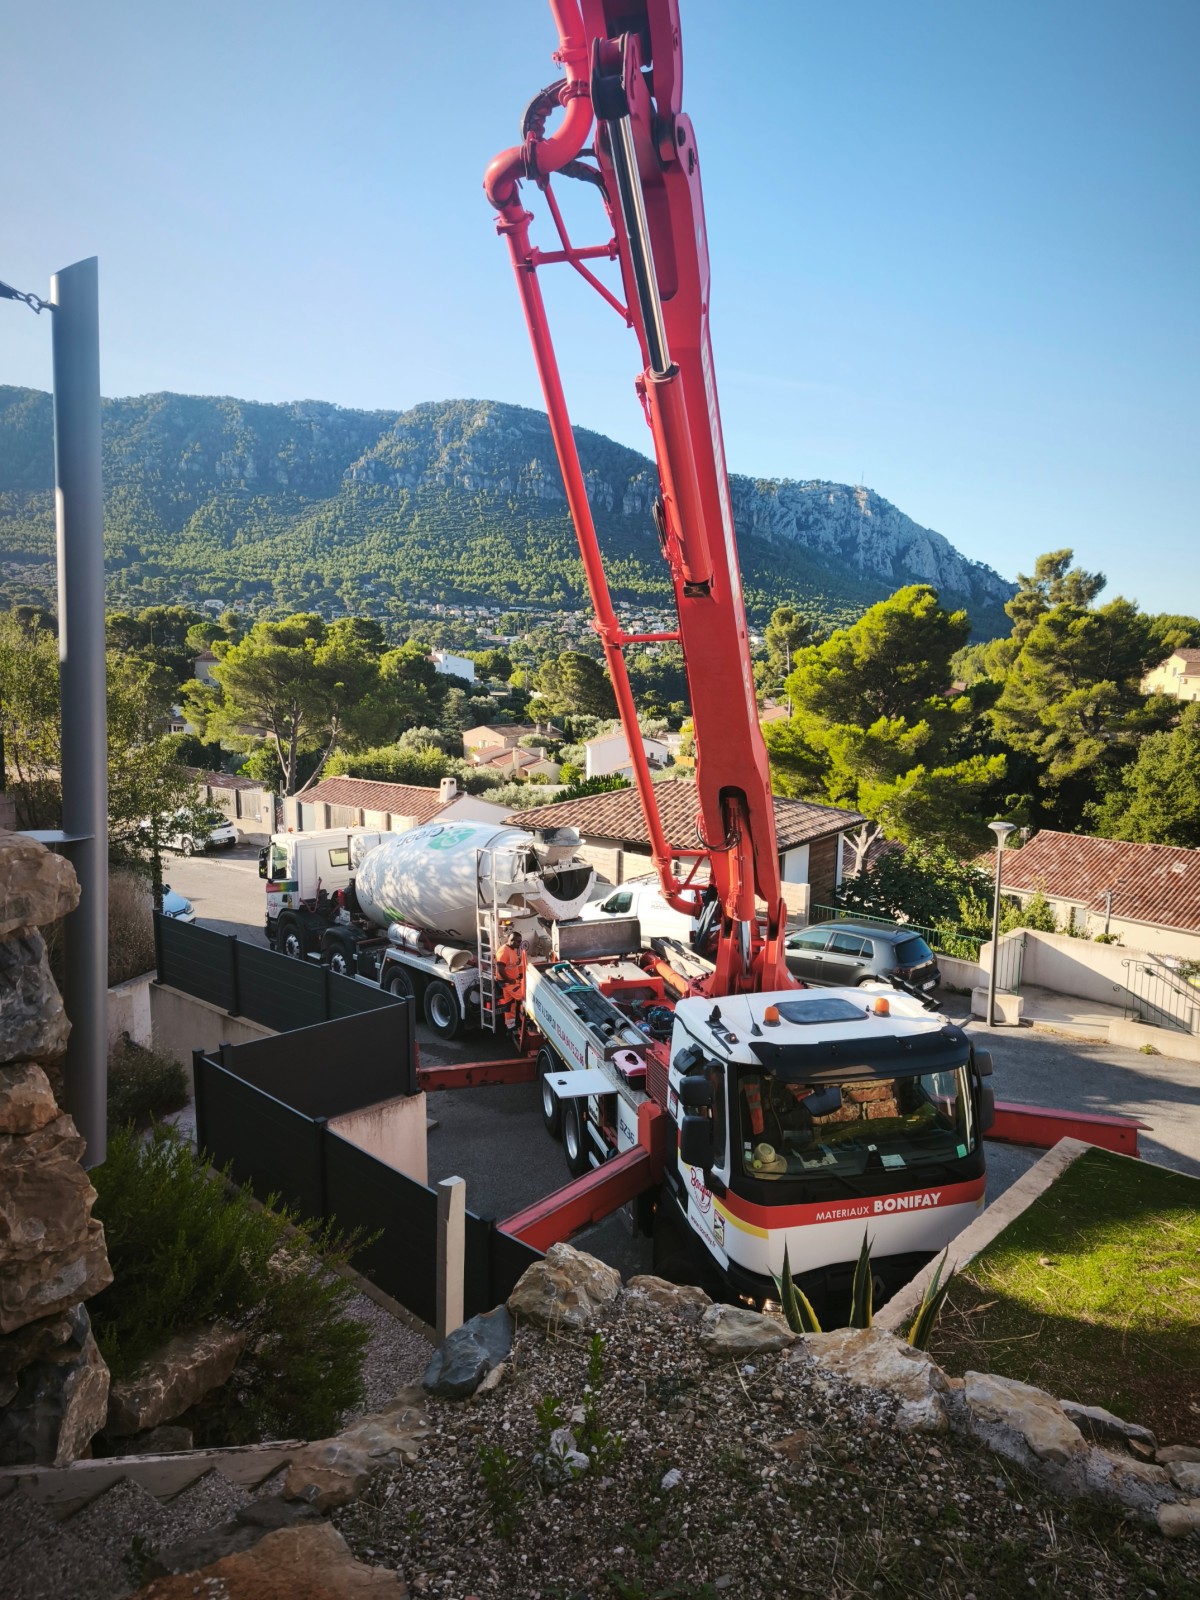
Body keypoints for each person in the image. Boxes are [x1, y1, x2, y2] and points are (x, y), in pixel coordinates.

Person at [496, 928, 527, 1031]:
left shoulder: (511, 949)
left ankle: (510, 1025)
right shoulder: (503, 951)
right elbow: (500, 969)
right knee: (523, 995)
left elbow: (512, 965)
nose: (520, 943)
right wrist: (510, 981)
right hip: (508, 983)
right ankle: (523, 1021)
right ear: (512, 940)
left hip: (511, 981)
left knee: (510, 1004)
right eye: (518, 941)